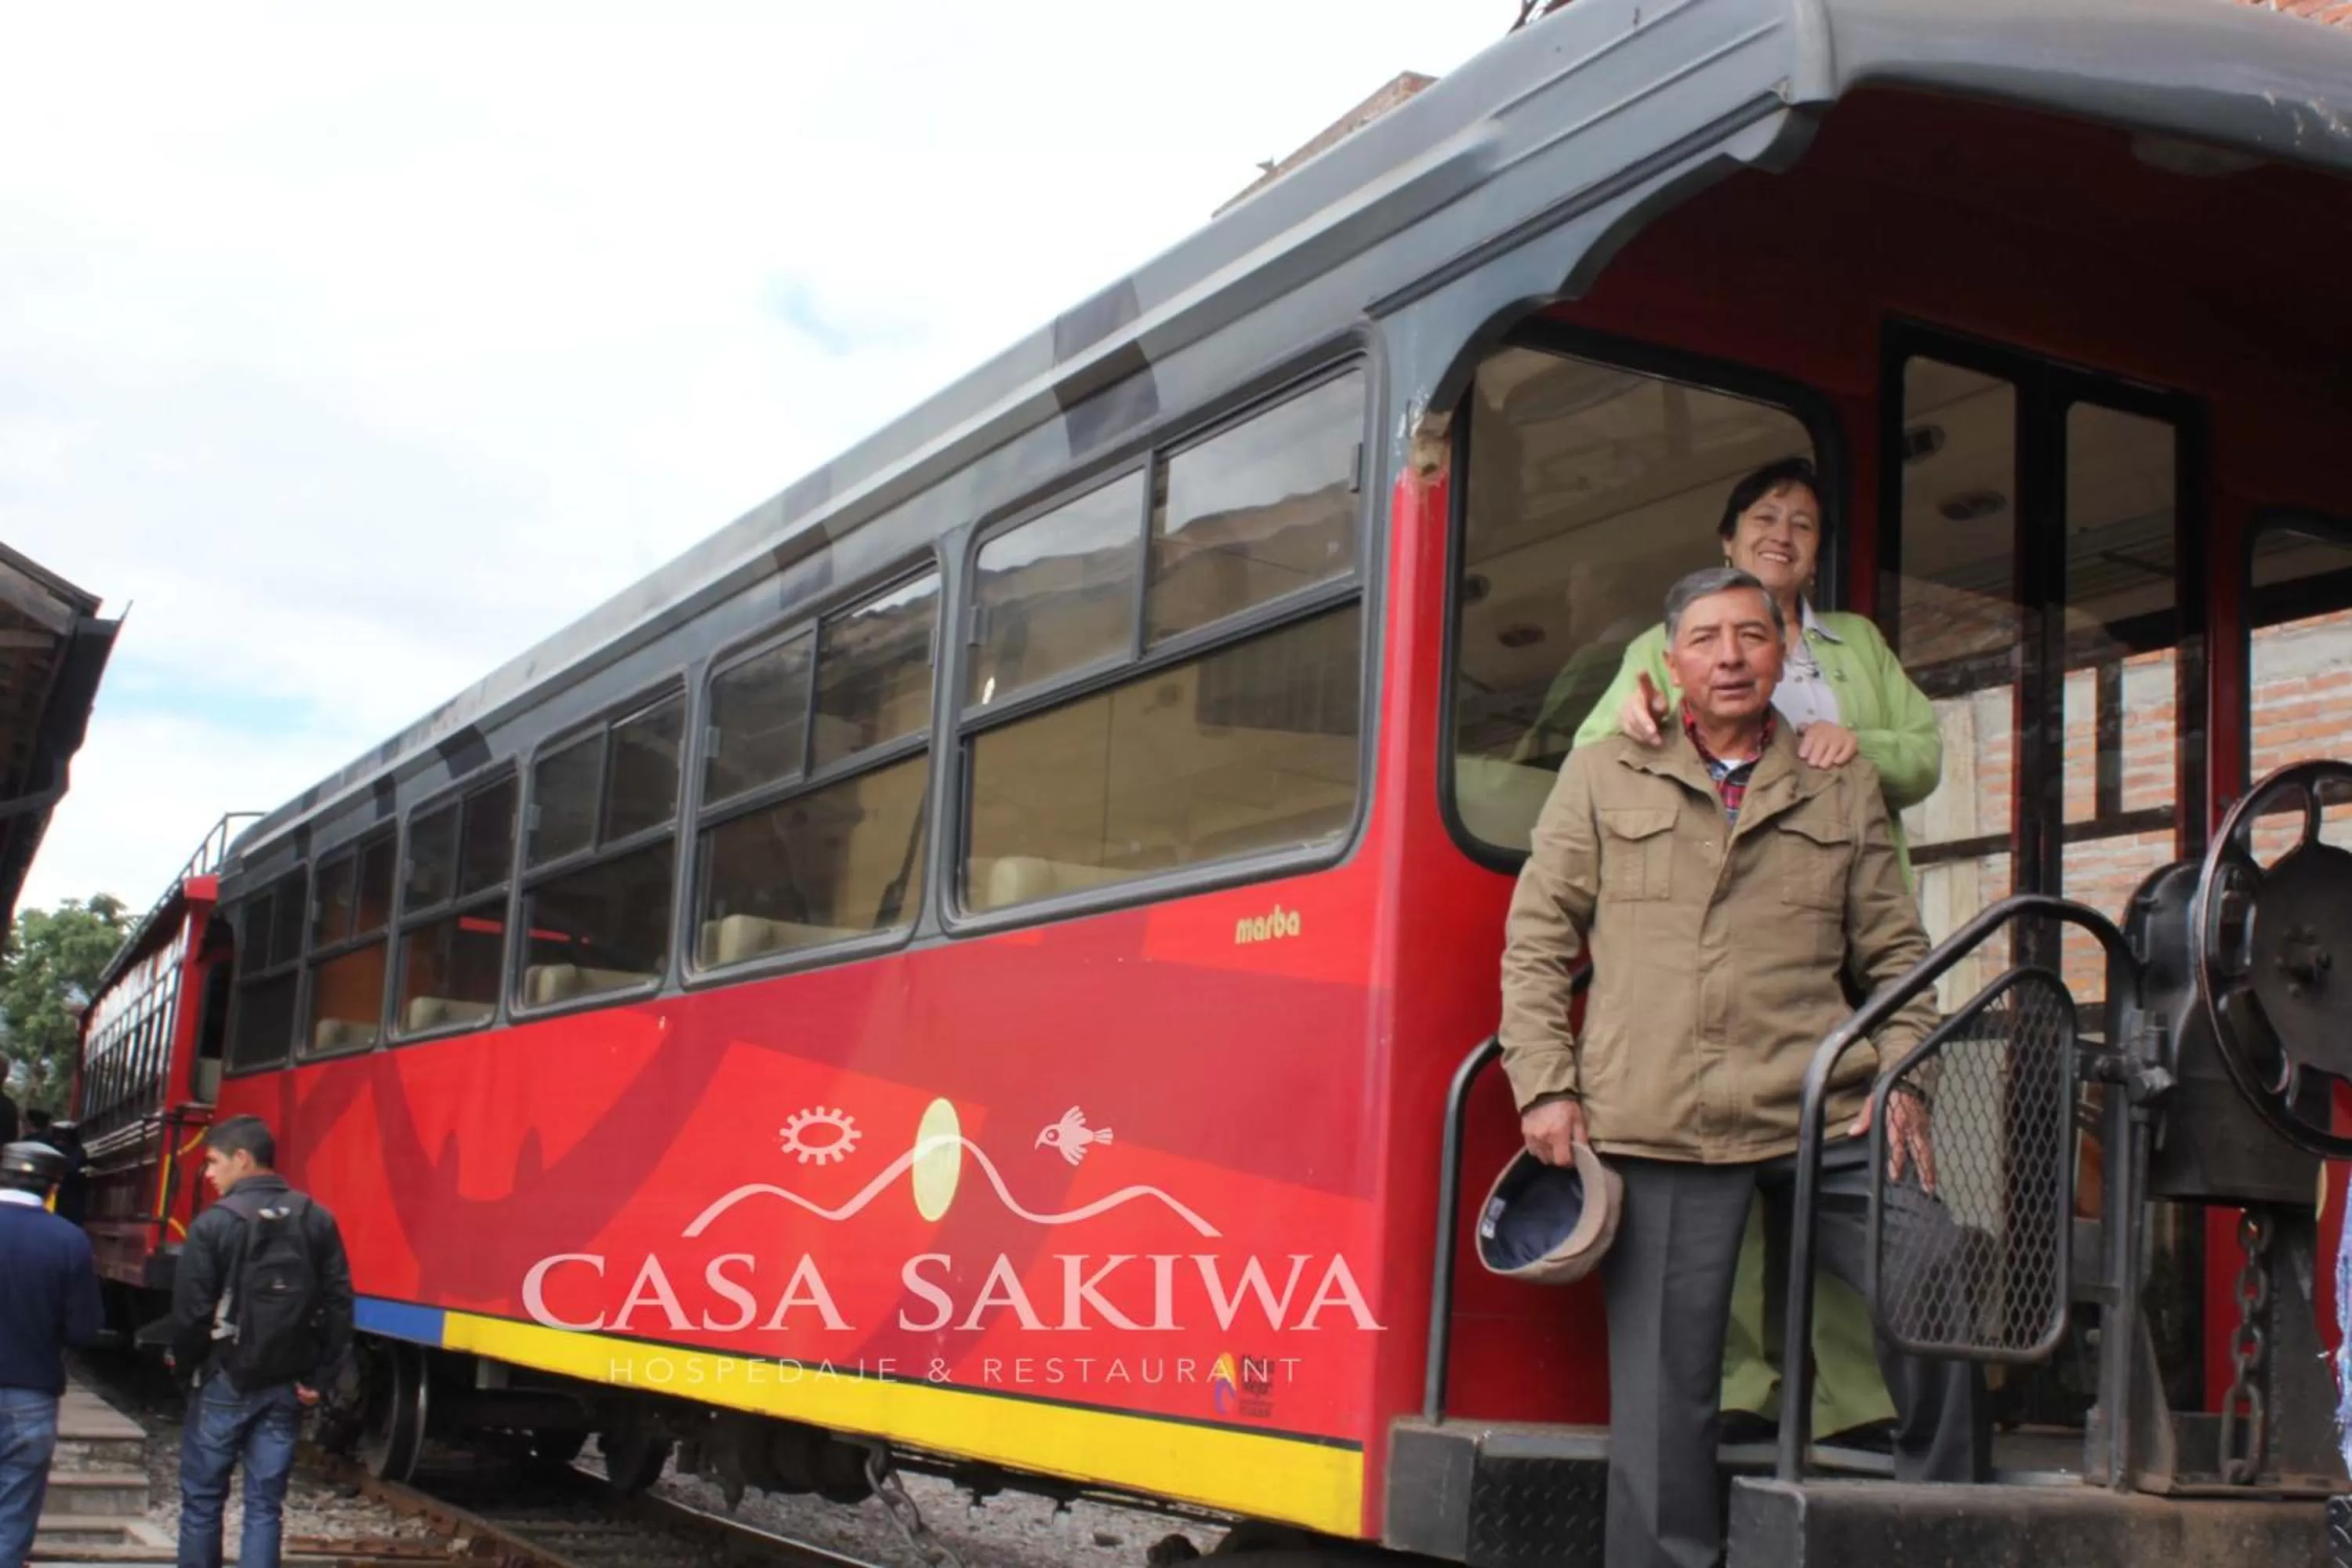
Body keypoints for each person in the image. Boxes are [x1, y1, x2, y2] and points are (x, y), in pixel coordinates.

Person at [1501, 567, 1983, 1568]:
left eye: (1752, 636)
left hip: (1822, 1105)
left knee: (1933, 1265)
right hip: (1660, 1111)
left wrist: (1908, 1073)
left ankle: (1953, 1525)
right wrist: (1544, 1082)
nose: (1731, 655)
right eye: (1708, 638)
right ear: (1670, 660)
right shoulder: (1603, 773)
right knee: (1669, 1383)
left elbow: (1896, 955)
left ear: (1781, 654)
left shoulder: (1835, 775)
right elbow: (1538, 938)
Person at [1573, 456, 1944, 1446]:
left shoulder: (1855, 643)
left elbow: (1925, 752)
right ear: (1729, 540)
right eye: (1765, 518)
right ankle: (1737, 1381)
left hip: (1844, 916)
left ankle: (1854, 1397)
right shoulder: (1668, 645)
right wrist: (1640, 715)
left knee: (1861, 1174)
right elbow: (1597, 750)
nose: (1785, 532)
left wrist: (1847, 738)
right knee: (1711, 1170)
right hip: (1719, 937)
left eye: (1807, 523)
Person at [167, 1116, 354, 1568]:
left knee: (203, 1501)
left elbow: (191, 1312)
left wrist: (187, 1364)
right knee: (265, 1506)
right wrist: (320, 1379)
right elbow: (339, 1304)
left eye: (212, 1162)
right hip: (287, 1385)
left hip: (222, 1380)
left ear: (242, 1159)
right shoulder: (316, 1218)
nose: (208, 1175)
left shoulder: (213, 1225)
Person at [0, 1140, 104, 1568]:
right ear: (53, 1187)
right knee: (15, 1503)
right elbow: (83, 1328)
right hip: (31, 1393)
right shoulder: (68, 1240)